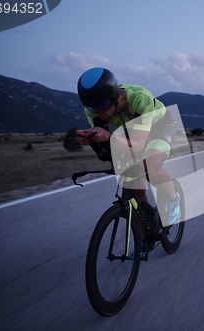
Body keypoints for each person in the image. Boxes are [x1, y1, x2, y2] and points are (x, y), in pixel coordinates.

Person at [75, 67, 180, 257]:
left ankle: (173, 201)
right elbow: (106, 149)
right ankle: (142, 241)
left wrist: (109, 136)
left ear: (115, 97)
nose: (100, 113)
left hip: (161, 126)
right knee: (132, 183)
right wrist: (92, 140)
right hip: (132, 132)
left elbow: (138, 145)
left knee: (151, 167)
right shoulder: (95, 109)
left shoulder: (139, 97)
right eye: (93, 109)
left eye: (104, 105)